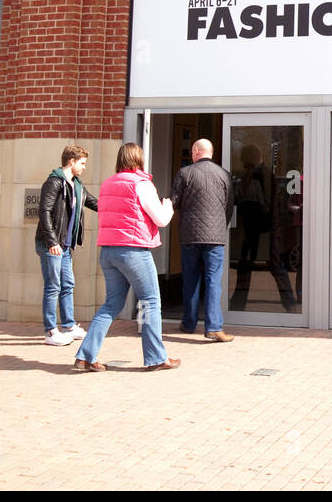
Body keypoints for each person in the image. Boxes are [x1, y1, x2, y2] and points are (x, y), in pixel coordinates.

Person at [75, 143, 177, 372]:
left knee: (111, 304)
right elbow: (160, 219)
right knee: (151, 301)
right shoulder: (142, 184)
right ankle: (156, 358)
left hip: (108, 251)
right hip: (133, 251)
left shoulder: (108, 183)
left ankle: (85, 356)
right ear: (139, 159)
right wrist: (168, 206)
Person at [170, 138, 235, 341]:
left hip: (189, 235)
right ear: (211, 152)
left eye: (192, 151)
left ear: (197, 151)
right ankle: (214, 327)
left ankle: (189, 323)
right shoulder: (224, 174)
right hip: (215, 237)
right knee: (213, 281)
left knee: (190, 280)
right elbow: (229, 205)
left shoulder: (184, 173)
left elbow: (174, 202)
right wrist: (219, 225)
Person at [35, 144, 98, 346]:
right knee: (53, 286)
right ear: (71, 162)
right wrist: (51, 241)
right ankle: (50, 331)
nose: (84, 167)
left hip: (65, 245)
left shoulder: (76, 185)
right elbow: (44, 212)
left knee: (67, 285)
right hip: (51, 244)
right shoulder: (54, 182)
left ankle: (70, 326)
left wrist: (117, 207)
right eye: (82, 163)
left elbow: (93, 202)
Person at [228, 143, 298, 312]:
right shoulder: (255, 175)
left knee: (271, 265)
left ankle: (289, 304)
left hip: (263, 230)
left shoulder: (262, 175)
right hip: (258, 229)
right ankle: (238, 304)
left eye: (242, 157)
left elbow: (266, 204)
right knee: (252, 266)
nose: (240, 160)